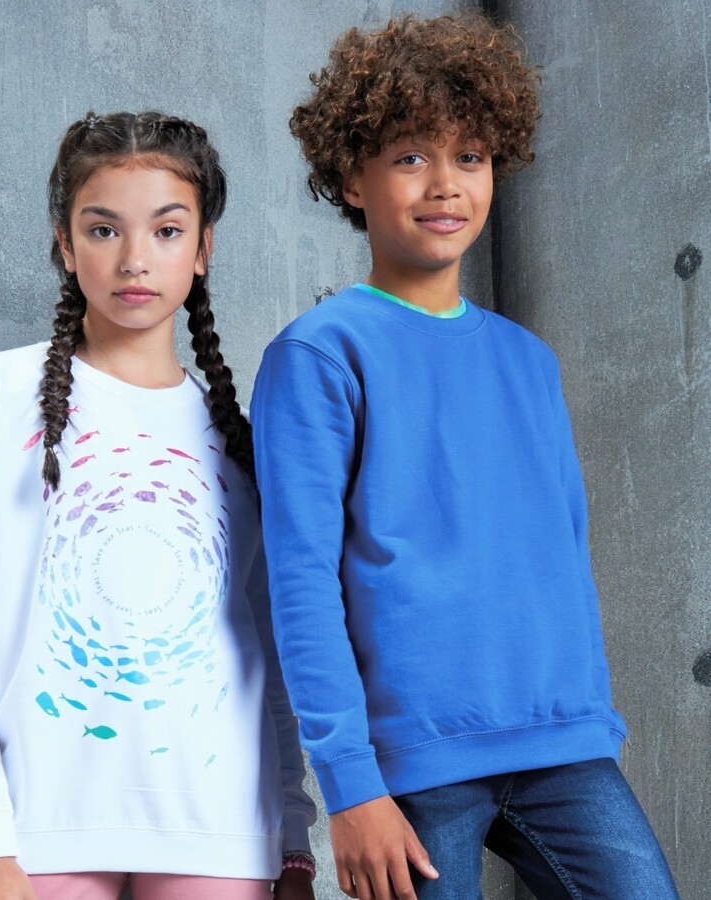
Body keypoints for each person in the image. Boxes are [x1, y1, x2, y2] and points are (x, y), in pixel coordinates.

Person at [250, 14, 679, 900]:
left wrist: (587, 712)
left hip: (560, 743)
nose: (445, 184)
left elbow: (563, 551)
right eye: (410, 156)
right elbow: (301, 584)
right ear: (350, 176)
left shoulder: (528, 360)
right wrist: (350, 786)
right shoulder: (320, 354)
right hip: (414, 759)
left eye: (470, 156)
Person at [0, 111, 316, 900]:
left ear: (202, 249)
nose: (135, 259)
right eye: (103, 230)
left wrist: (293, 839)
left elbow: (267, 655)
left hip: (223, 829)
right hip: (39, 826)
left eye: (166, 231)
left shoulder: (240, 436)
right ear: (65, 245)